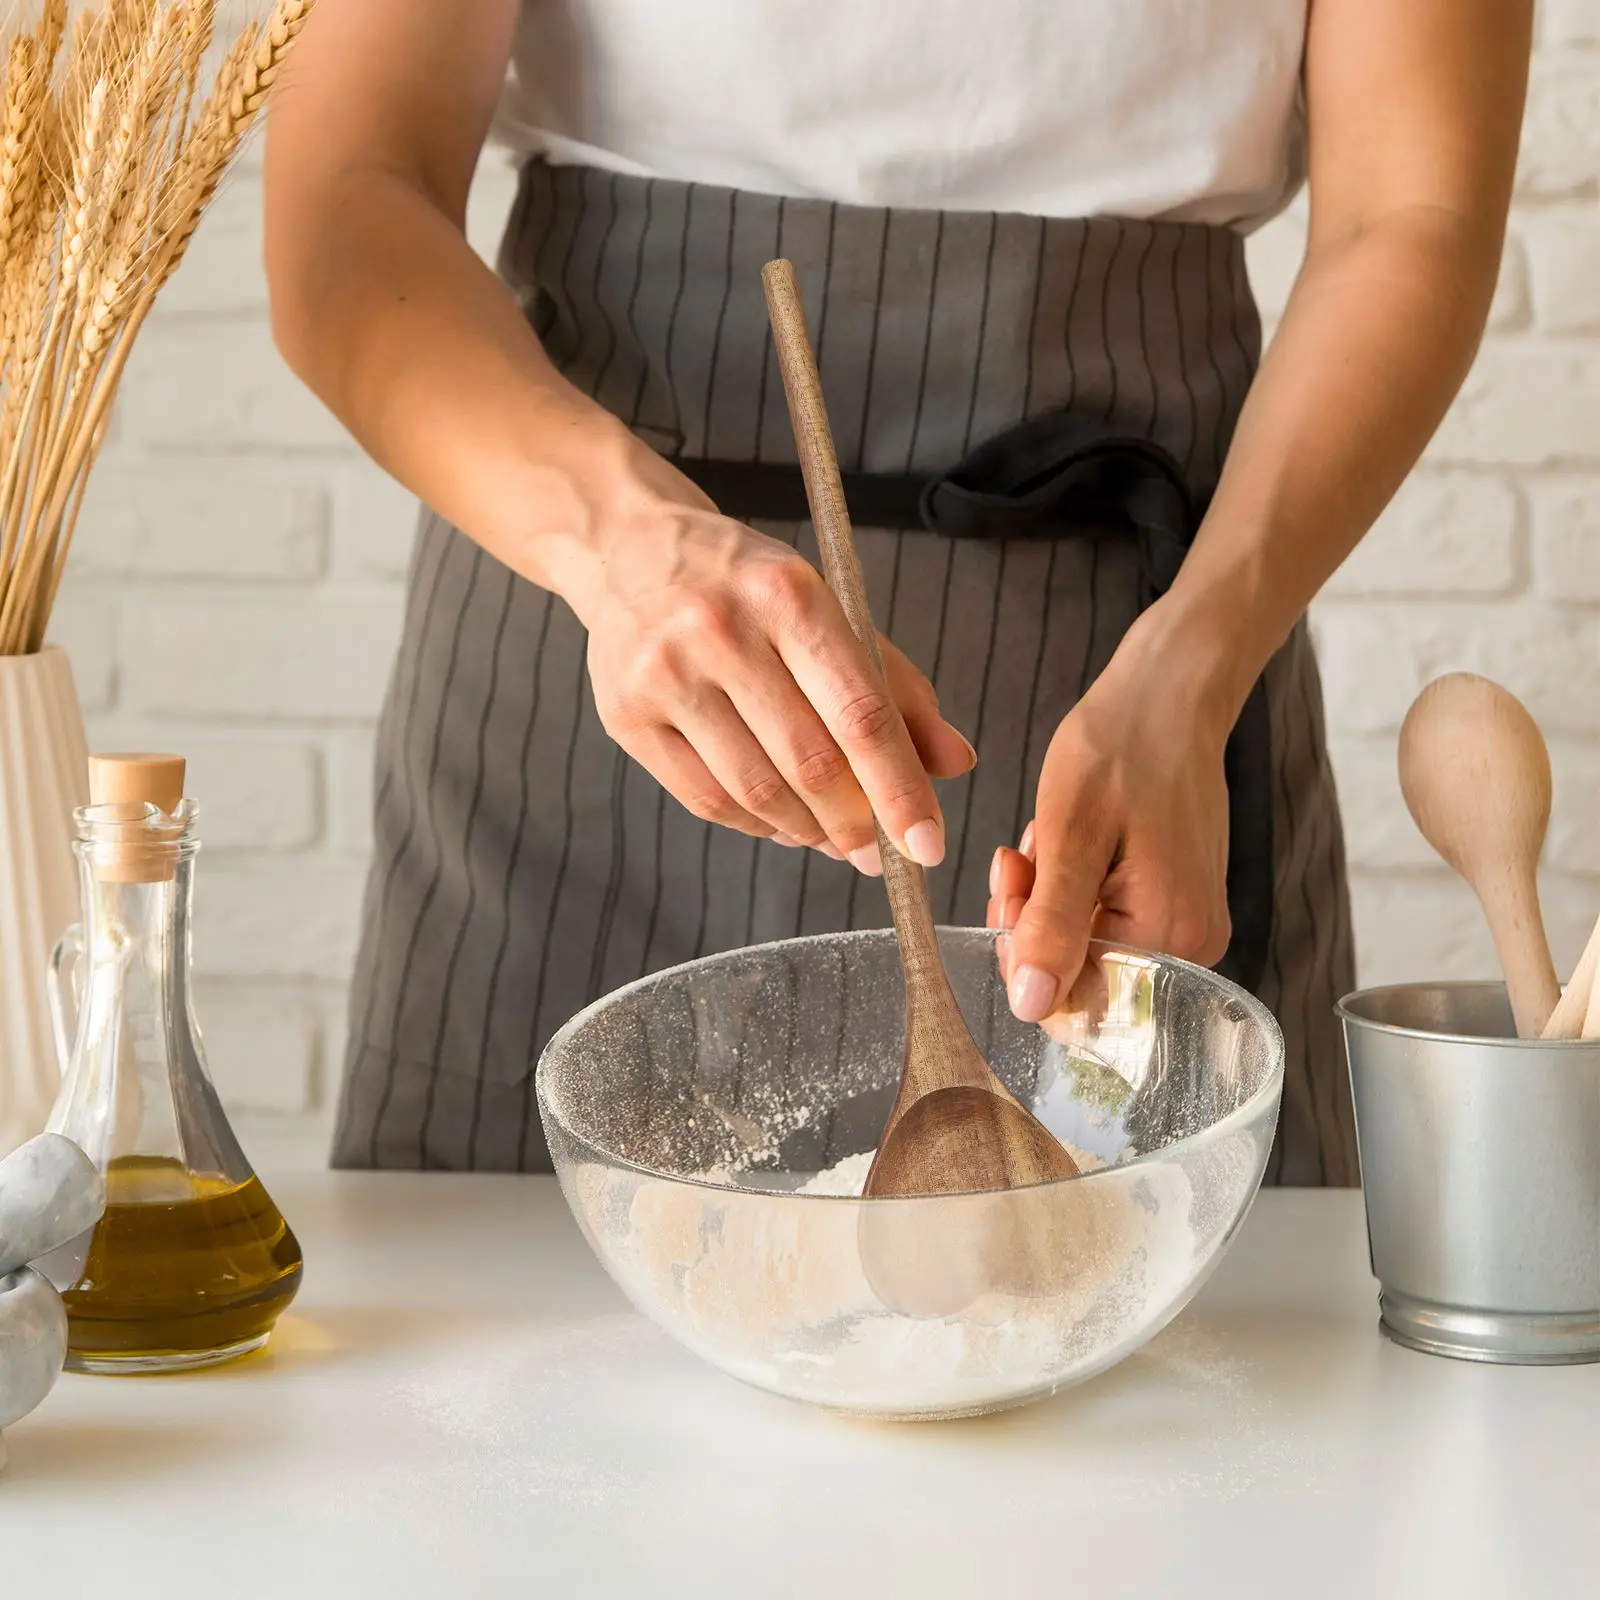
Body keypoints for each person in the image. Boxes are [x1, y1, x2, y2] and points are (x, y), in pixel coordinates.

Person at [264, 0, 1531, 1181]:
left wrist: (1191, 673)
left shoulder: (1173, 676)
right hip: (593, 629)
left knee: (1188, 1372)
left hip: (1144, 656)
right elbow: (346, 193)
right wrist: (623, 550)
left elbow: (1407, 216)